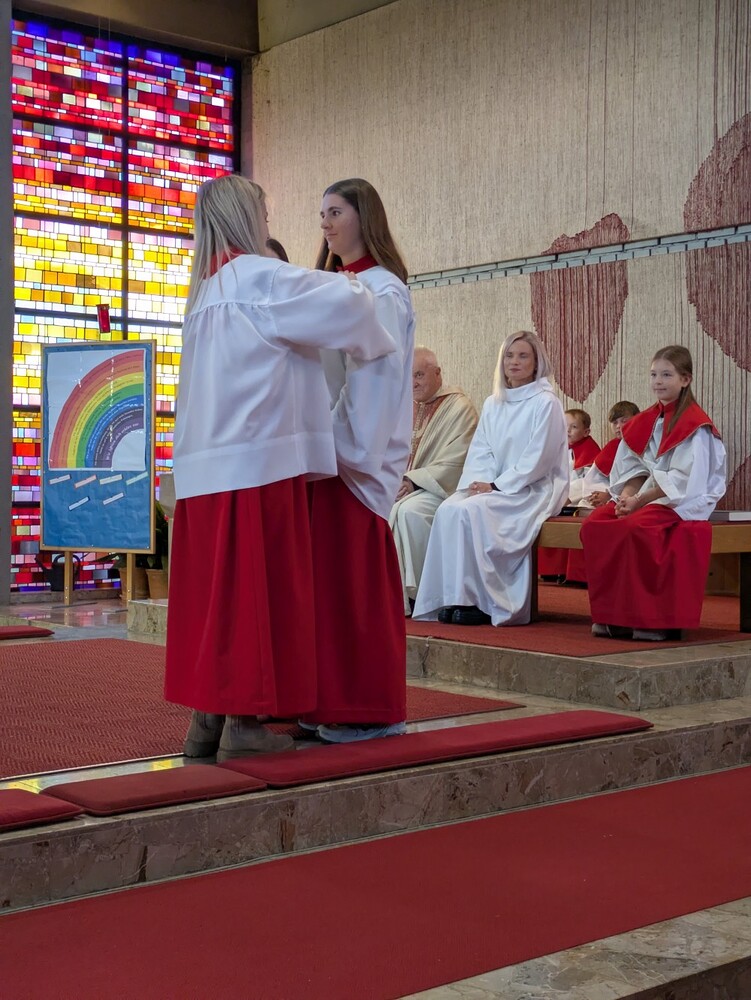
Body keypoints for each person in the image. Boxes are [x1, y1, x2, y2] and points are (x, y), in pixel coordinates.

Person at [164, 174, 396, 760]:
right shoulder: (259, 277)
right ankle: (245, 728)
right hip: (256, 464)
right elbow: (352, 305)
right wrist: (369, 297)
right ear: (249, 219)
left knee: (215, 602)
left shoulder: (204, 292)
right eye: (264, 214)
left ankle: (206, 722)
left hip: (203, 473)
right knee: (256, 598)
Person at [305, 177, 415, 743]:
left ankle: (370, 707)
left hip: (355, 455)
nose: (325, 223)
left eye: (336, 212)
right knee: (326, 587)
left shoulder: (382, 291)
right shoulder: (336, 286)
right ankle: (327, 697)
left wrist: (341, 442)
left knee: (354, 587)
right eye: (322, 213)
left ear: (363, 217)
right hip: (326, 448)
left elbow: (376, 382)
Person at [412, 330, 569, 626]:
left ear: (536, 363)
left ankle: (485, 601)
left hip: (532, 488)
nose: (514, 362)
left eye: (523, 356)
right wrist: (479, 483)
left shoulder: (545, 403)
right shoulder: (493, 403)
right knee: (448, 509)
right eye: (509, 355)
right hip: (492, 485)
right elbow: (481, 449)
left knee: (472, 512)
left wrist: (497, 486)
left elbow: (539, 458)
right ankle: (452, 596)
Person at [581, 345, 726, 641]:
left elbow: (684, 481)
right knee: (596, 524)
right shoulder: (645, 421)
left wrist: (638, 501)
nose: (658, 381)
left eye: (666, 375)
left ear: (685, 379)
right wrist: (626, 498)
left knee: (637, 529)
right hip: (644, 496)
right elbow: (633, 468)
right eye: (653, 375)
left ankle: (650, 620)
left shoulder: (695, 426)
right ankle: (611, 615)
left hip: (681, 499)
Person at [389, 347, 478, 614]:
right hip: (403, 486)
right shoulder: (403, 408)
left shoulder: (459, 407)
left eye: (419, 375)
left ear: (437, 373)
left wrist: (413, 481)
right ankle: (387, 593)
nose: (413, 383)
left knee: (410, 512)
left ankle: (420, 593)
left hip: (440, 489)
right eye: (408, 376)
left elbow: (457, 459)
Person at [538, 407, 600, 581]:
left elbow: (587, 481)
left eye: (573, 427)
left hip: (574, 500)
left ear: (586, 432)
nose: (567, 431)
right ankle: (550, 571)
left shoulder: (591, 451)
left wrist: (565, 496)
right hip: (555, 497)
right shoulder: (557, 449)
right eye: (564, 426)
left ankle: (570, 573)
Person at [582, 401, 641, 508]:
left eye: (624, 421)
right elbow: (595, 477)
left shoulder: (642, 444)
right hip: (608, 492)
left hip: (631, 496)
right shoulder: (612, 446)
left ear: (638, 419)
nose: (618, 426)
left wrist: (609, 495)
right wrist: (599, 493)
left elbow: (638, 476)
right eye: (614, 422)